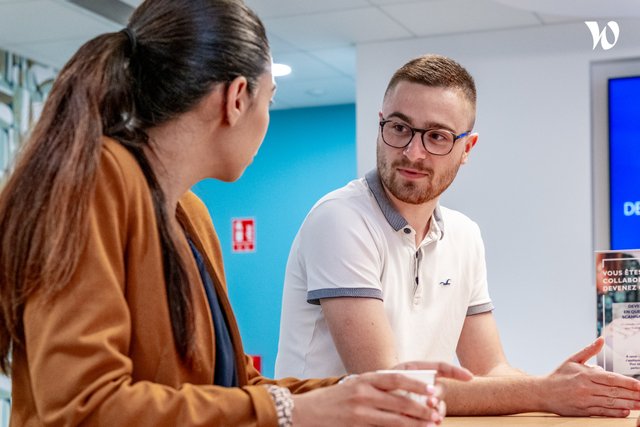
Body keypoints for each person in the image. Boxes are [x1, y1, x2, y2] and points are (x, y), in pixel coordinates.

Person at [0, 3, 472, 426]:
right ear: (237, 98)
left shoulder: (190, 214)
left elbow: (228, 388)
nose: (266, 119)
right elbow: (83, 408)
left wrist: (356, 391)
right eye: (270, 100)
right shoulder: (98, 179)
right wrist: (291, 411)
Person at [275, 53, 640, 417]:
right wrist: (545, 392)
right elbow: (386, 383)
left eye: (437, 137)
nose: (412, 152)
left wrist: (573, 388)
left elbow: (490, 369)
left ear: (467, 148)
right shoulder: (340, 219)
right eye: (400, 128)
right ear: (380, 123)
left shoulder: (465, 235)